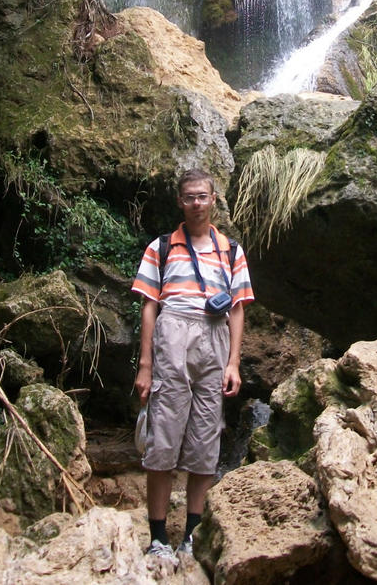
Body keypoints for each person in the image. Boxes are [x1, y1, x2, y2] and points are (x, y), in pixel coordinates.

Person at [132, 168, 254, 561]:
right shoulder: (162, 247)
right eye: (189, 197)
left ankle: (192, 535)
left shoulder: (231, 250)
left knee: (206, 438)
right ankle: (157, 538)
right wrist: (145, 365)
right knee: (163, 433)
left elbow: (237, 309)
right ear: (180, 202)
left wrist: (233, 363)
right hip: (172, 334)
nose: (196, 203)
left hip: (215, 340)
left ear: (214, 199)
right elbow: (149, 307)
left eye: (203, 196)